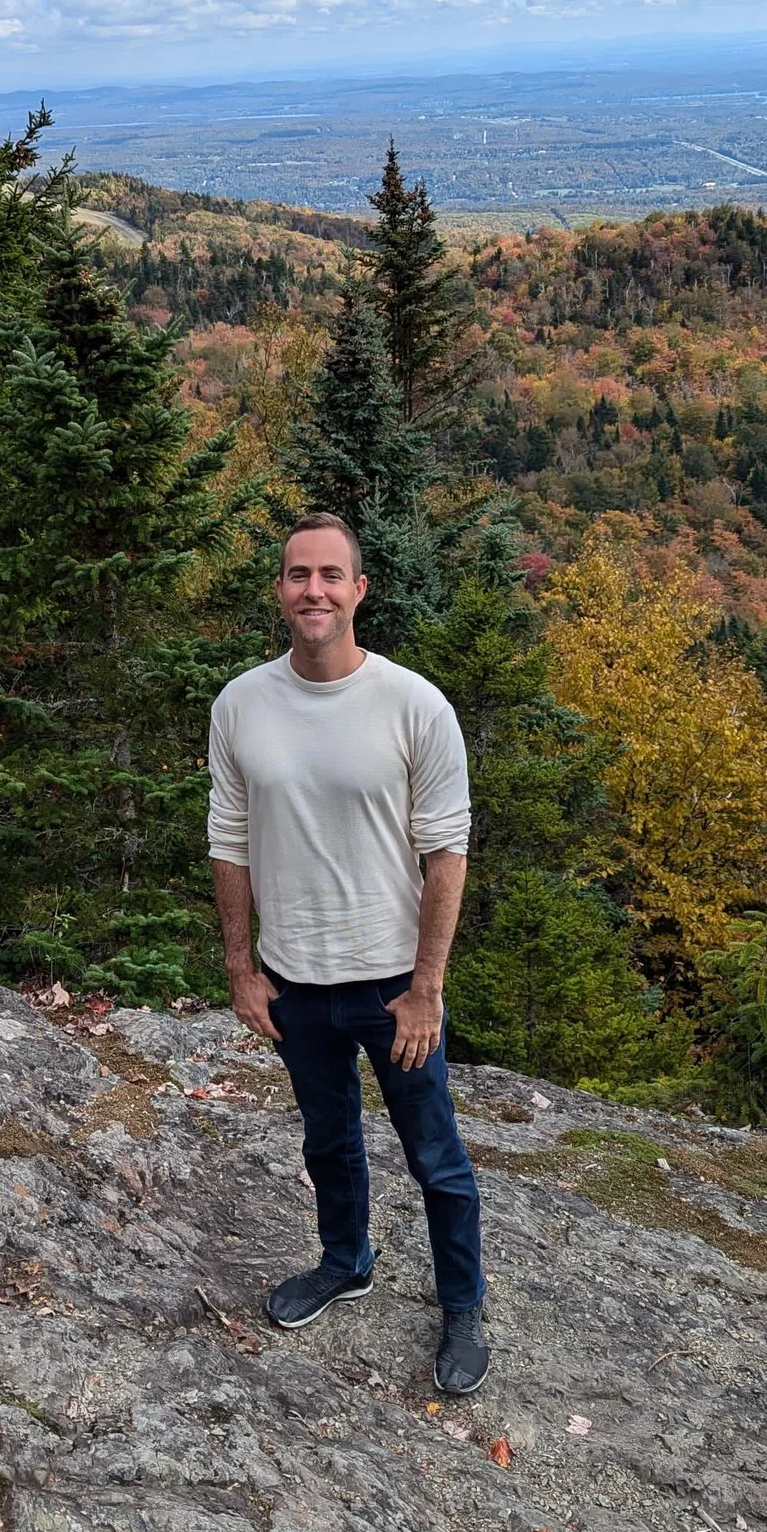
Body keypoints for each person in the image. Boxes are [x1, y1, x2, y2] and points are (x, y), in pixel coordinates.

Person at [207, 512, 489, 1394]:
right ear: (280, 590)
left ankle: (463, 1304)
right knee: (327, 1142)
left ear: (360, 589)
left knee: (433, 1153)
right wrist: (243, 970)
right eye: (299, 575)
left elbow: (448, 851)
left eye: (332, 575)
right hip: (296, 981)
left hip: (392, 986)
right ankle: (345, 1261)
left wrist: (427, 988)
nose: (314, 590)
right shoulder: (241, 703)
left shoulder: (414, 705)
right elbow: (230, 837)